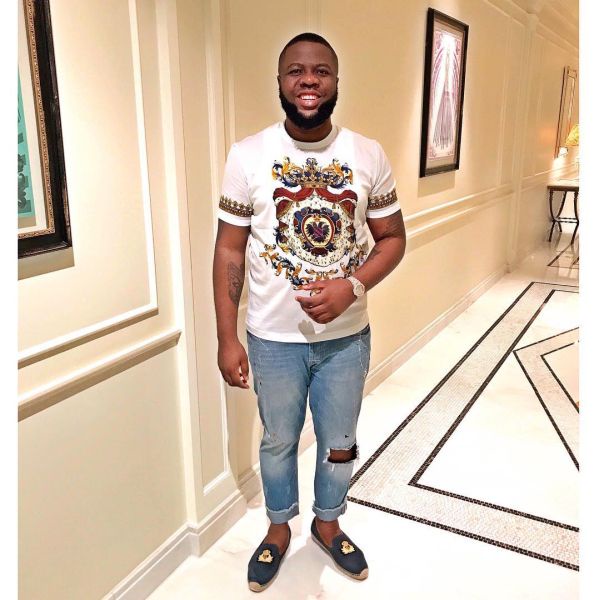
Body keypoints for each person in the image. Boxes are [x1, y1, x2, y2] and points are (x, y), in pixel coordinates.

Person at [212, 32, 406, 592]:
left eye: (321, 71)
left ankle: (328, 523)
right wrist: (227, 337)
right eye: (296, 71)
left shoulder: (367, 154)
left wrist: (352, 285)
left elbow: (393, 238)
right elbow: (229, 250)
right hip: (272, 339)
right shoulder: (248, 155)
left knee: (339, 439)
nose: (308, 81)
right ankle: (278, 528)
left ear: (336, 81)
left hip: (346, 337)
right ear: (279, 81)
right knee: (278, 439)